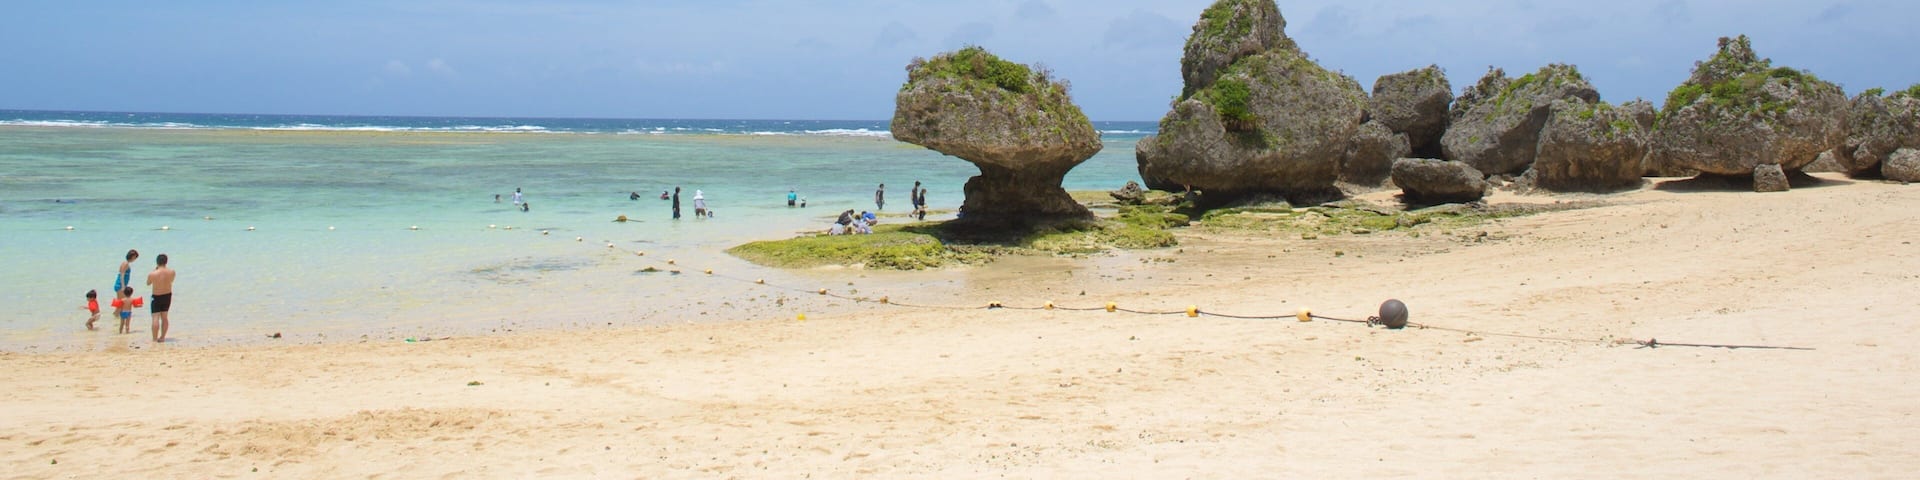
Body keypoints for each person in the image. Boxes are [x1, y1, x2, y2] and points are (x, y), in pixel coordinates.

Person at [147, 253, 176, 343]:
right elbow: (171, 281)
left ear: (157, 262)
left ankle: (154, 339)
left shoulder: (153, 273)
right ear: (166, 262)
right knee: (164, 316)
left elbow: (148, 283)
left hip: (156, 296)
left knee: (155, 317)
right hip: (167, 295)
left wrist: (154, 271)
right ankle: (162, 337)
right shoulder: (172, 272)